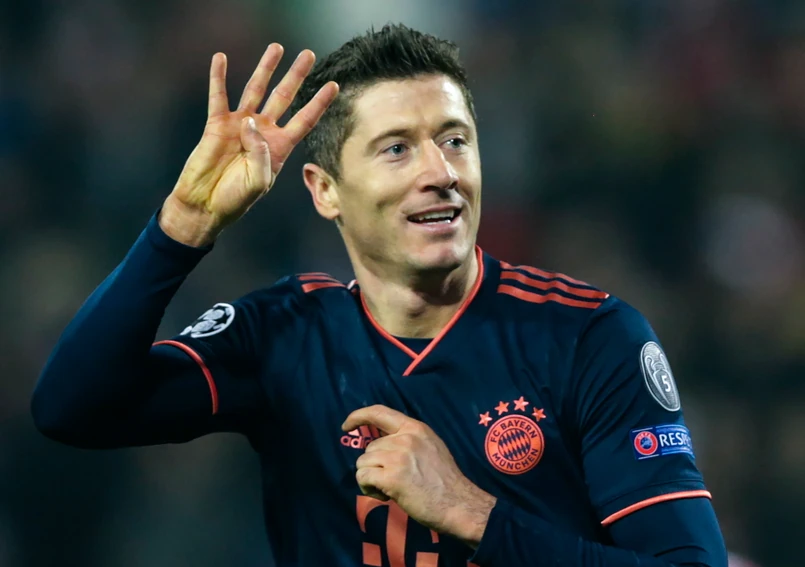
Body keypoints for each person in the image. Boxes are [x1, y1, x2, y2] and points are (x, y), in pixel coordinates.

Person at [32, 24, 728, 566]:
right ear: (325, 191)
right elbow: (69, 408)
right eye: (396, 148)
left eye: (455, 140)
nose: (440, 172)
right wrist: (179, 230)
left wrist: (472, 513)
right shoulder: (283, 334)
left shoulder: (589, 337)